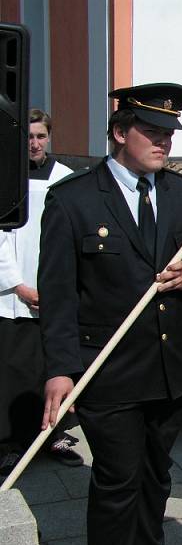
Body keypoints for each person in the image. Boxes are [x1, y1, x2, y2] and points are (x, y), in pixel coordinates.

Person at [38, 83, 182, 545]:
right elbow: (59, 294)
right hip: (107, 370)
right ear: (118, 133)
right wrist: (60, 370)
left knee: (157, 476)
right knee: (117, 480)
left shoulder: (180, 193)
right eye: (152, 132)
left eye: (169, 135)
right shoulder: (73, 199)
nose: (164, 143)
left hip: (169, 364)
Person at [0, 108, 82, 475]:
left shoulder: (65, 179)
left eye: (40, 136)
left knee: (54, 362)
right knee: (15, 366)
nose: (34, 143)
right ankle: (12, 441)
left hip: (54, 288)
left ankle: (54, 433)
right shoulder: (5, 176)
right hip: (14, 290)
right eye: (28, 137)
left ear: (50, 137)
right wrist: (16, 283)